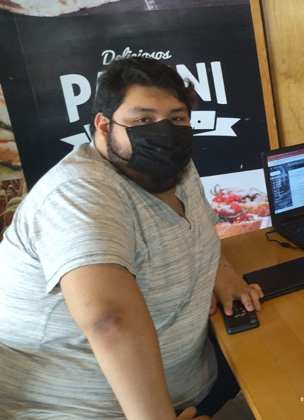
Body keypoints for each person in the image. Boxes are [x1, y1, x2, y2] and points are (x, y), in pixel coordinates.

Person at [0, 57, 263, 419]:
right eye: (142, 120)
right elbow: (111, 320)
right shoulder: (78, 194)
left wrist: (221, 269)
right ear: (104, 125)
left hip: (194, 383)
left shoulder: (175, 168)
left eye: (176, 118)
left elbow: (199, 230)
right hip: (86, 410)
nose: (164, 132)